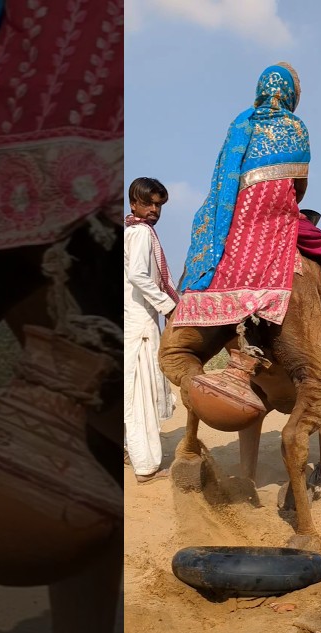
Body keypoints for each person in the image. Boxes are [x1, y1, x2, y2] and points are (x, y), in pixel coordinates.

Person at [173, 62, 321, 332]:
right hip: (279, 216)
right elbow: (299, 189)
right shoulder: (296, 127)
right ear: (290, 94)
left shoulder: (242, 123)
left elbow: (223, 174)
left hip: (237, 215)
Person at [124, 177, 178, 483]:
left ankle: (132, 451)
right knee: (140, 394)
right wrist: (168, 306)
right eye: (149, 203)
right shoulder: (141, 232)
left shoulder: (131, 231)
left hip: (134, 320)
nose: (154, 209)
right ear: (134, 204)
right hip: (139, 325)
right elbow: (138, 276)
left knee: (131, 392)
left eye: (158, 204)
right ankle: (146, 467)